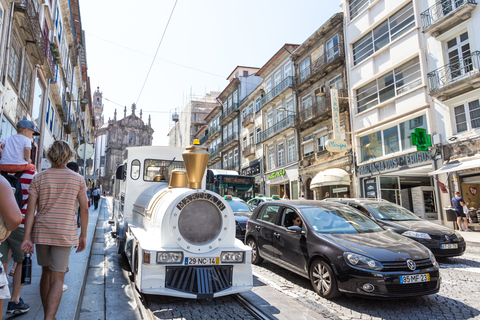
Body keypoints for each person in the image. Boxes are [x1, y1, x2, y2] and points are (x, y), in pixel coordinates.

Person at [21, 140, 89, 320]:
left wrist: (27, 237)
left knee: (45, 273)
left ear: (50, 155)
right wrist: (83, 235)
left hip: (42, 232)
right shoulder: (78, 179)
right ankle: (49, 318)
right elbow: (84, 209)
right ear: (68, 156)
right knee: (58, 278)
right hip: (65, 233)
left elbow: (30, 210)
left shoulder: (38, 177)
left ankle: (48, 315)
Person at [0, 169, 36, 315]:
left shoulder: (2, 171)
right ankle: (14, 301)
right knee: (21, 260)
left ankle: (2, 290)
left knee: (2, 260)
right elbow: (33, 204)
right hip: (21, 223)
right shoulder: (31, 175)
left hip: (1, 223)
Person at [0, 175, 23, 316]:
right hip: (20, 229)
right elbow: (15, 218)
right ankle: (15, 300)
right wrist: (7, 230)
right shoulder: (1, 182)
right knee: (21, 260)